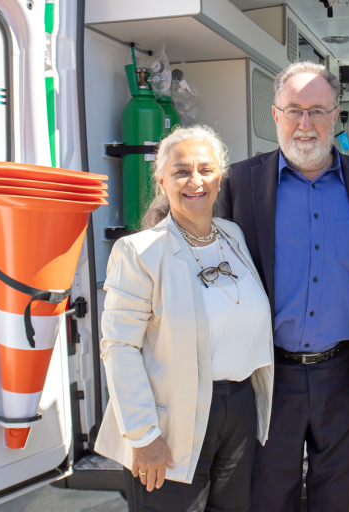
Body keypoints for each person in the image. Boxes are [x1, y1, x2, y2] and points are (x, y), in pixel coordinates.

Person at [219, 61, 349, 512]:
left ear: (335, 115)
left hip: (345, 375)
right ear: (275, 115)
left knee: (343, 500)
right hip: (270, 375)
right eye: (293, 110)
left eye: (316, 110)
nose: (304, 124)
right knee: (268, 498)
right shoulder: (238, 183)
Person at [94, 125, 274, 512]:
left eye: (206, 169)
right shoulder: (139, 252)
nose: (196, 181)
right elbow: (119, 347)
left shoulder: (232, 235)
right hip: (173, 417)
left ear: (220, 177)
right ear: (161, 179)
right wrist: (143, 436)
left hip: (237, 410)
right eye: (181, 171)